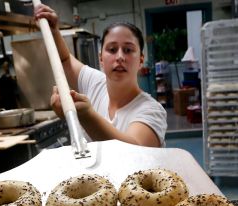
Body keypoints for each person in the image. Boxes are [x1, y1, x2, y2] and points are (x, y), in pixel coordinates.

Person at [34, 4, 167, 148]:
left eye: (128, 50)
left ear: (141, 60)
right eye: (112, 49)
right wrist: (54, 31)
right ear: (101, 59)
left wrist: (86, 116)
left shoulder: (151, 110)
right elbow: (65, 60)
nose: (120, 57)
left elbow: (135, 151)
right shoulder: (95, 83)